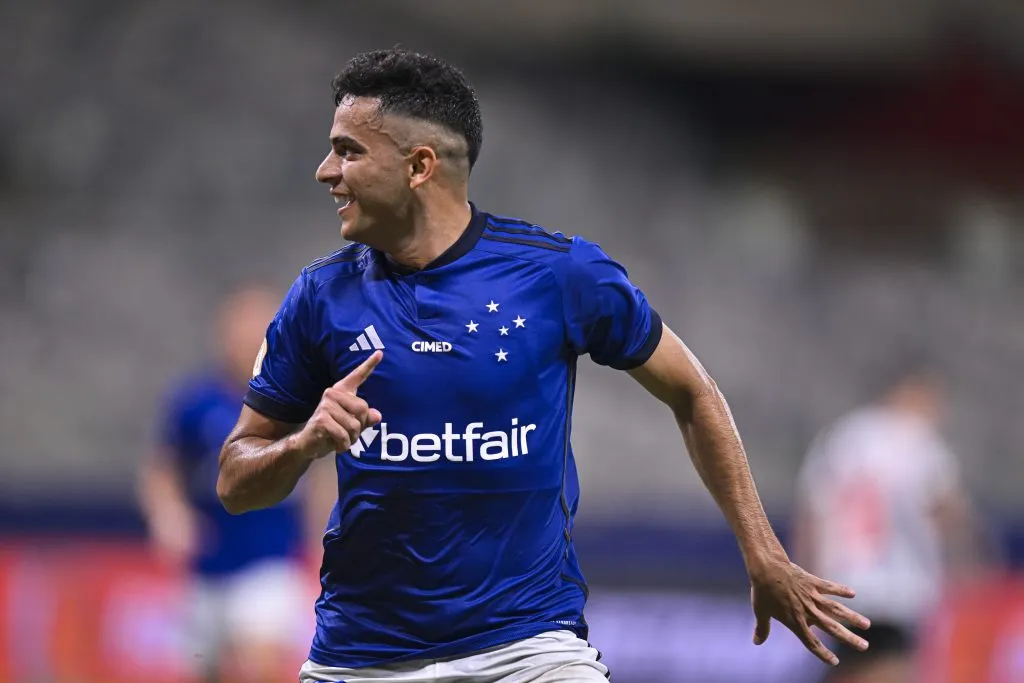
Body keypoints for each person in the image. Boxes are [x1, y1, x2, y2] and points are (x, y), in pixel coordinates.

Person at [216, 49, 870, 683]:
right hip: (363, 658)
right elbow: (235, 481)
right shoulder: (318, 296)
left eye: (349, 150)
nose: (325, 171)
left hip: (528, 650)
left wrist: (763, 553)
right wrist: (305, 443)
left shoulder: (559, 274)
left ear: (419, 165)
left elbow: (693, 391)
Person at [139, 284, 332, 683]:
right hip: (208, 561)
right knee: (205, 668)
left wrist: (323, 541)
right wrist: (169, 514)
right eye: (241, 331)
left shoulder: (300, 398)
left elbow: (320, 476)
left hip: (272, 558)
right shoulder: (196, 401)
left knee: (258, 661)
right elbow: (163, 468)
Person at [793, 359, 986, 683]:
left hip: (843, 581)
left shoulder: (842, 437)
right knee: (893, 669)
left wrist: (805, 573)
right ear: (908, 391)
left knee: (848, 665)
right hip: (897, 588)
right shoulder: (916, 440)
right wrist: (971, 562)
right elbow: (948, 509)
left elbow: (811, 512)